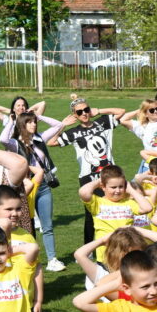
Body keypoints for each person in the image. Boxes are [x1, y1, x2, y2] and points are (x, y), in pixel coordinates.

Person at [51, 95, 127, 241]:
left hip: (110, 175)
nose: (84, 113)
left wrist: (98, 111)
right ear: (74, 115)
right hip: (88, 177)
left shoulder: (103, 122)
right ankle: (89, 248)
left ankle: (115, 242)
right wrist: (63, 125)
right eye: (79, 112)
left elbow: (121, 111)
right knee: (91, 214)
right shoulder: (73, 132)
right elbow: (51, 142)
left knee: (114, 209)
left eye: (86, 110)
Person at [0, 111, 65, 270]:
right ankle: (23, 256)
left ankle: (52, 260)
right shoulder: (15, 143)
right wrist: (11, 121)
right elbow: (2, 139)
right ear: (22, 125)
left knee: (47, 225)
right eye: (30, 122)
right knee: (22, 225)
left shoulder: (39, 138)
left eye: (35, 122)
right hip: (25, 187)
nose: (34, 125)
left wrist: (39, 115)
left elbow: (59, 125)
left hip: (42, 186)